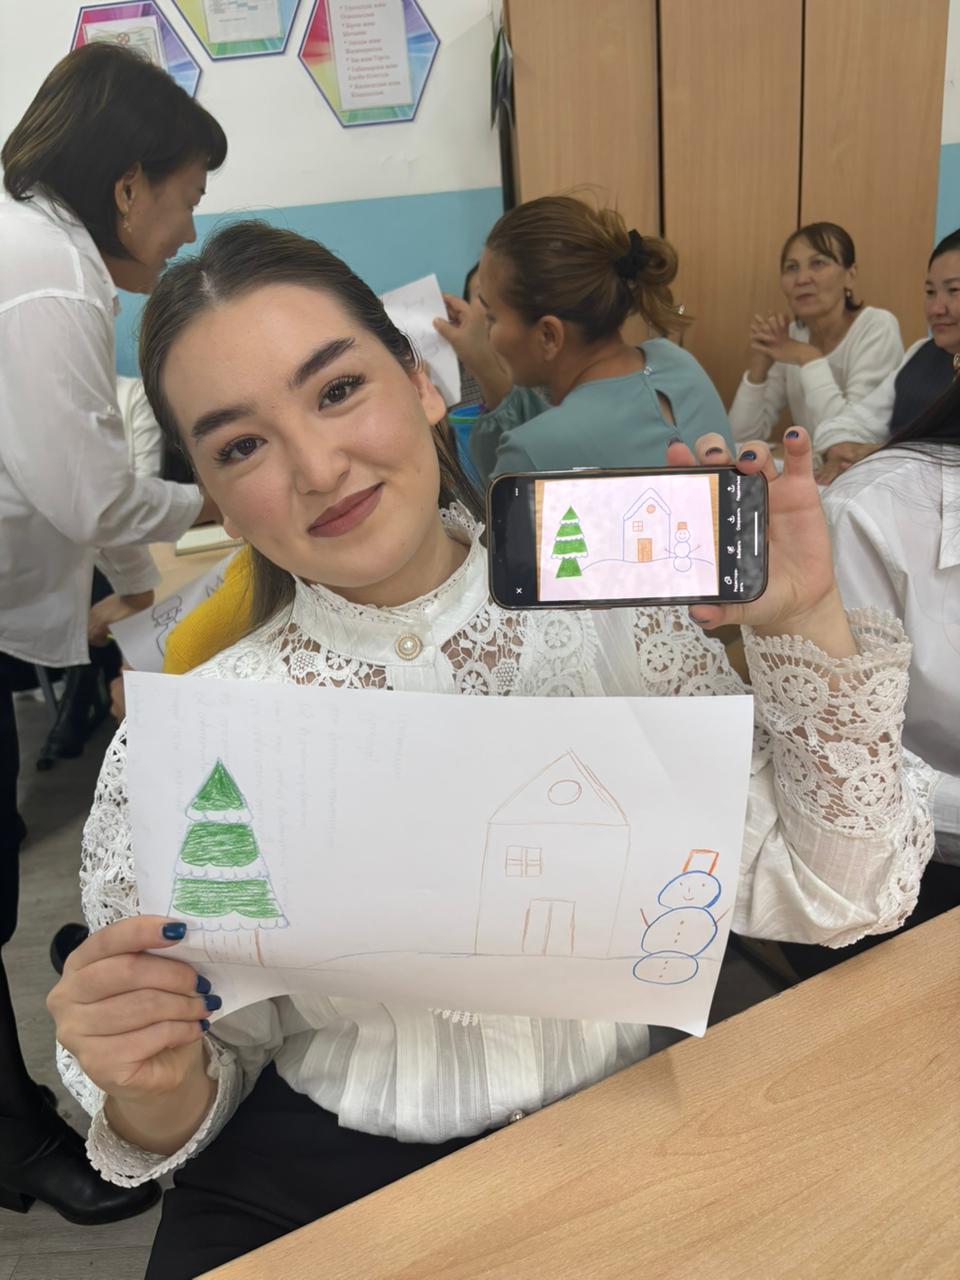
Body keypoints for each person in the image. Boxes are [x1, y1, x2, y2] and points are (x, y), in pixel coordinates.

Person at [44, 222, 933, 1278]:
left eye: (338, 390)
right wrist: (148, 1082)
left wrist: (806, 621)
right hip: (307, 1185)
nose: (319, 467)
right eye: (241, 446)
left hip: (615, 1146)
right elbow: (202, 1072)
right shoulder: (207, 732)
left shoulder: (623, 632)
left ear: (424, 383)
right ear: (217, 500)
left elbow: (841, 898)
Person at [0, 43, 225, 1223]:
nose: (187, 230)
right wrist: (221, 497)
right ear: (129, 185)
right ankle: (15, 1140)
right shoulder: (50, 274)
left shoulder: (42, 254)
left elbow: (85, 483)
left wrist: (140, 590)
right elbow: (92, 494)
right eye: (188, 196)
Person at [433, 196, 734, 489]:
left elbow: (546, 448)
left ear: (548, 335)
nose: (486, 331)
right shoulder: (676, 361)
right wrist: (484, 366)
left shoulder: (529, 453)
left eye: (491, 316)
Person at [728, 222, 903, 464]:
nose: (802, 278)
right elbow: (739, 439)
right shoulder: (790, 337)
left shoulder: (876, 326)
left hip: (864, 475)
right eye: (791, 267)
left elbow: (853, 438)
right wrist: (758, 370)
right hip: (817, 475)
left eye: (818, 263)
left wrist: (808, 357)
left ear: (850, 275)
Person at [814, 228, 960, 482]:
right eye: (930, 292)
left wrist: (886, 455)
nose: (937, 308)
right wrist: (842, 450)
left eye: (954, 290)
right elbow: (842, 426)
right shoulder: (920, 354)